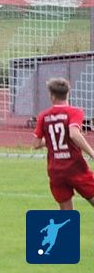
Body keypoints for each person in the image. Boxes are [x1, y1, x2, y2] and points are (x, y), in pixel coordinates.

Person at [32, 77, 94, 210]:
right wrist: (92, 153)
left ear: (52, 96)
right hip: (75, 167)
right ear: (68, 93)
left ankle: (68, 225)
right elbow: (73, 133)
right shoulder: (75, 112)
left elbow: (36, 144)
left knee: (66, 213)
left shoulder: (43, 116)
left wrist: (51, 139)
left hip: (56, 170)